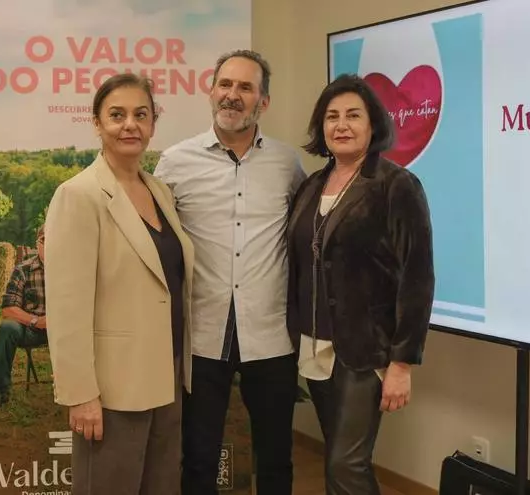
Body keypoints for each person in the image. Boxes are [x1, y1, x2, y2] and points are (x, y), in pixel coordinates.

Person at [153, 49, 306, 495]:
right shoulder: (174, 163)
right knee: (198, 458)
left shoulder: (287, 165)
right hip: (202, 335)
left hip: (271, 336)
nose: (232, 95)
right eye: (225, 84)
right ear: (211, 91)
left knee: (276, 458)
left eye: (245, 87)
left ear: (264, 101)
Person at [43, 73, 194, 495]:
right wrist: (80, 394)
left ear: (153, 124)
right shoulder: (78, 195)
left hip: (166, 378)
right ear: (97, 123)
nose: (130, 125)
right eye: (117, 115)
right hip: (112, 391)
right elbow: (67, 307)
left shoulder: (160, 191)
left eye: (140, 115)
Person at [285, 73, 435, 495]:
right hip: (315, 344)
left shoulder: (394, 185)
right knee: (341, 458)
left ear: (373, 124)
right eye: (331, 117)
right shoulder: (312, 186)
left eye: (353, 115)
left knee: (345, 464)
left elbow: (418, 277)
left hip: (365, 351)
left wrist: (402, 364)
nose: (341, 125)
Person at [0, 225, 48, 413]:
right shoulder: (23, 270)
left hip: (65, 330)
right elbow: (8, 309)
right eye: (44, 240)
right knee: (8, 328)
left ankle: (90, 389)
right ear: (37, 243)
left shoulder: (70, 270)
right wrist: (36, 321)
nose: (49, 244)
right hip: (32, 329)